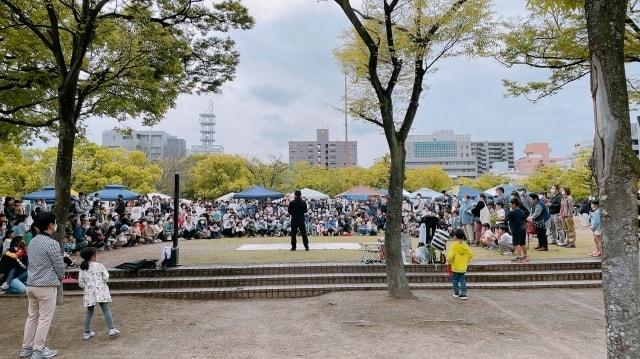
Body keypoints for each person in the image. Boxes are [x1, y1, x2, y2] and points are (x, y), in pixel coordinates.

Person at [20, 212, 65, 359]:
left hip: (31, 285)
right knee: (44, 318)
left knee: (32, 317)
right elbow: (59, 265)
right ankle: (38, 350)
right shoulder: (52, 243)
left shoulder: (32, 241)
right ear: (50, 225)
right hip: (46, 286)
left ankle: (26, 348)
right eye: (55, 222)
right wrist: (61, 276)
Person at [78, 247, 120, 340]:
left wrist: (87, 288)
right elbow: (106, 277)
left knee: (89, 312)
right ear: (93, 256)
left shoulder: (82, 268)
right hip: (100, 290)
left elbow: (80, 283)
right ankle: (112, 329)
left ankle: (87, 332)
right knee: (106, 309)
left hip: (89, 292)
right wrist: (102, 283)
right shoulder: (99, 265)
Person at [447, 229, 473, 300]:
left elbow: (450, 256)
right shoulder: (465, 245)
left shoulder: (454, 245)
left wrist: (449, 262)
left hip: (455, 266)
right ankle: (464, 294)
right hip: (463, 267)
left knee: (455, 280)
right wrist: (467, 260)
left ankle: (456, 293)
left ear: (455, 236)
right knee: (462, 280)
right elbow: (470, 255)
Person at [506, 198, 528, 263]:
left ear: (514, 204)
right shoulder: (522, 211)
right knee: (523, 243)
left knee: (517, 244)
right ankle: (525, 257)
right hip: (522, 229)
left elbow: (506, 219)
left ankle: (519, 257)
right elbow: (524, 220)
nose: (510, 205)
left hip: (516, 229)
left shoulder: (511, 212)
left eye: (511, 204)